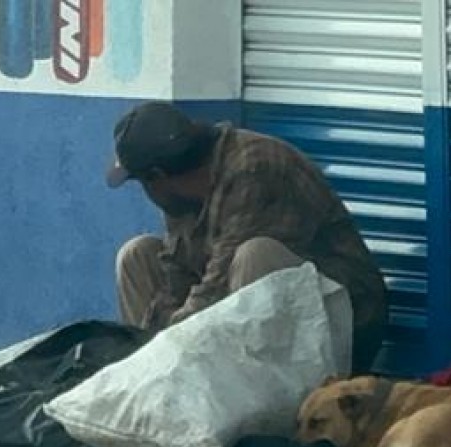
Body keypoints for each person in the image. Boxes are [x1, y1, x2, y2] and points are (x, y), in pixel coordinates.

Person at [108, 101, 388, 374]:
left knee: (255, 255)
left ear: (157, 175)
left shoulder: (256, 168)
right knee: (137, 254)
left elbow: (215, 289)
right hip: (248, 323)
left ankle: (253, 399)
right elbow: (176, 275)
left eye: (144, 183)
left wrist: (170, 343)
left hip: (342, 326)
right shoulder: (181, 193)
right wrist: (150, 345)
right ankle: (152, 382)